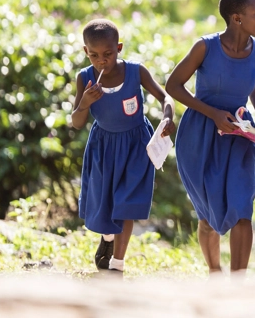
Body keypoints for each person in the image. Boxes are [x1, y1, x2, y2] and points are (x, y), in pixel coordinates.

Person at [167, 0, 255, 276]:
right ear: (236, 18)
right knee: (208, 212)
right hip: (200, 136)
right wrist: (213, 114)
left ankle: (238, 285)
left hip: (240, 137)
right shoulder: (205, 47)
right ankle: (215, 274)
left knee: (243, 209)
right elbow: (173, 86)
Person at [70, 18, 176, 274]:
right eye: (94, 55)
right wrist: (84, 102)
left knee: (126, 204)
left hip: (136, 146)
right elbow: (76, 122)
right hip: (103, 146)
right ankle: (107, 238)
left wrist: (168, 116)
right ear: (86, 52)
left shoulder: (135, 71)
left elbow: (164, 96)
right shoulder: (85, 78)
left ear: (119, 48)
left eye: (107, 54)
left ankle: (118, 264)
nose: (101, 60)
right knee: (107, 204)